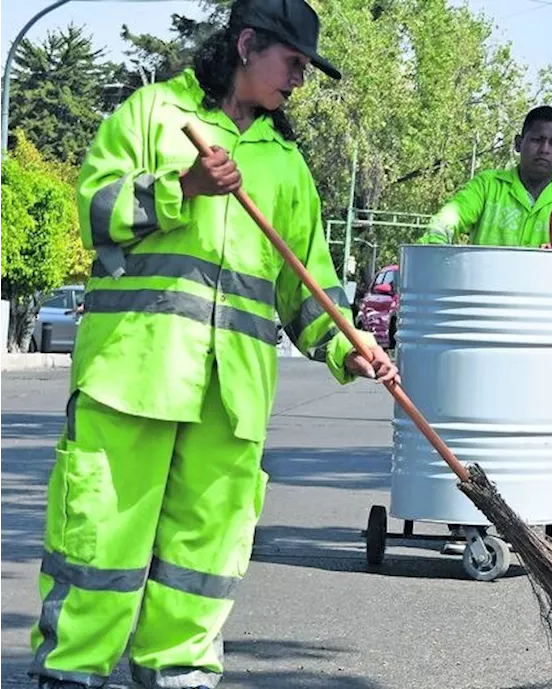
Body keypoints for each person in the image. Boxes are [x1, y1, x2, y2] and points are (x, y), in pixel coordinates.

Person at [28, 2, 397, 687]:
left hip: (231, 399)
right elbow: (94, 212)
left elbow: (304, 285)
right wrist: (183, 188)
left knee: (203, 558)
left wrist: (345, 346)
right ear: (248, 45)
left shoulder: (286, 165)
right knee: (100, 540)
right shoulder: (152, 116)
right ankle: (71, 673)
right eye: (293, 63)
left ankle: (179, 674)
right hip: (131, 375)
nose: (300, 82)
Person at [416, 106, 552, 273]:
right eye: (537, 140)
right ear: (518, 143)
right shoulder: (488, 186)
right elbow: (448, 219)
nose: (544, 149)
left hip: (543, 306)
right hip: (483, 302)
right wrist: (434, 249)